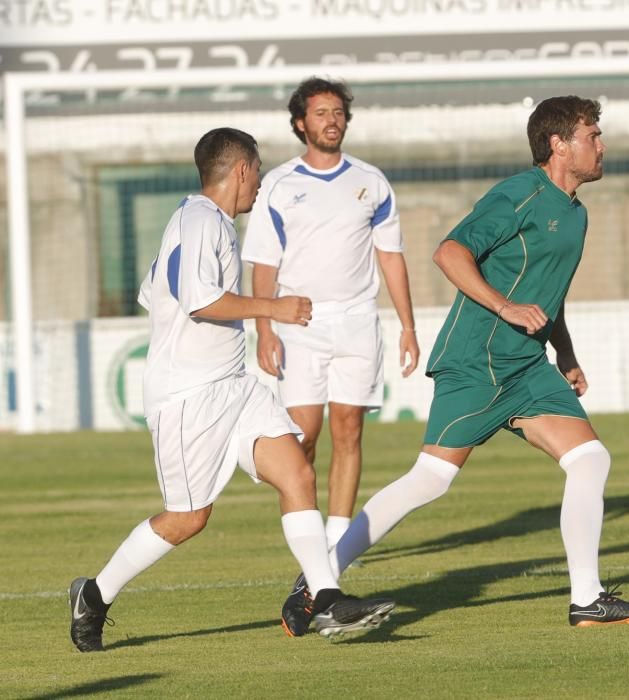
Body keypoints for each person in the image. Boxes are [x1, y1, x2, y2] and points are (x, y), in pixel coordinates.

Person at [283, 95, 629, 632]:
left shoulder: (576, 214)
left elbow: (546, 295)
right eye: (591, 135)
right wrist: (505, 307)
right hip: (479, 360)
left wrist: (566, 351)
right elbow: (449, 252)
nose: (601, 145)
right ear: (558, 145)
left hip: (527, 366)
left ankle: (587, 600)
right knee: (430, 480)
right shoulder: (519, 194)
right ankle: (316, 579)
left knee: (590, 460)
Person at [68, 128, 395, 653]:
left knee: (297, 472)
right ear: (241, 170)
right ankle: (94, 594)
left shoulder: (197, 220)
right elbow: (199, 302)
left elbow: (154, 294)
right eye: (258, 172)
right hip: (189, 397)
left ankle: (325, 595)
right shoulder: (201, 220)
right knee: (188, 518)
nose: (260, 184)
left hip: (234, 386)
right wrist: (275, 308)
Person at [242, 78, 419, 560]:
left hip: (359, 321)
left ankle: (336, 542)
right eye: (321, 113)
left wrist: (407, 326)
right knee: (301, 438)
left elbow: (391, 257)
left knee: (349, 429)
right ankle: (305, 527)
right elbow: (263, 263)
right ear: (301, 123)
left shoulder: (372, 181)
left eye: (338, 112)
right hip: (299, 325)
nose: (331, 120)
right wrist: (263, 329)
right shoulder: (278, 185)